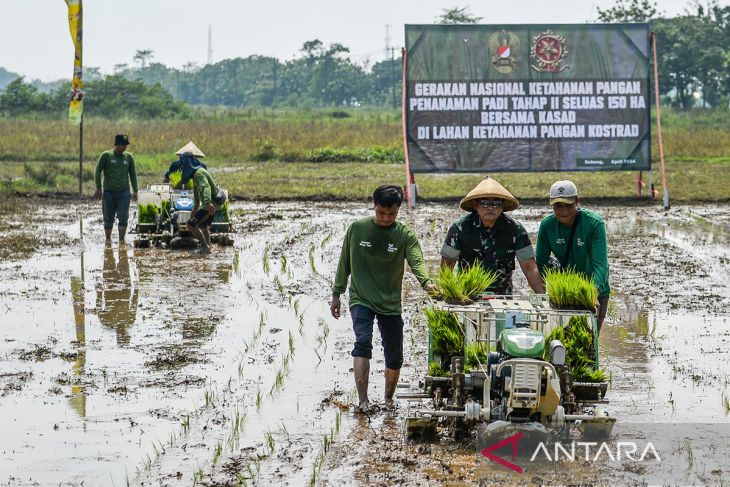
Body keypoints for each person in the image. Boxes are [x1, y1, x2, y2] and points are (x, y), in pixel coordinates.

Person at [331, 185, 435, 414]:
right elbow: (344, 263)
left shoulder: (404, 235)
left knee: (395, 354)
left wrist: (427, 283)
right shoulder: (357, 230)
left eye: (391, 214)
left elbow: (416, 262)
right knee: (362, 343)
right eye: (381, 213)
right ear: (374, 206)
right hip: (361, 298)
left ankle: (388, 399)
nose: (386, 218)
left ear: (398, 210)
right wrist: (336, 293)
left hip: (390, 302)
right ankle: (363, 401)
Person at [440, 176, 544, 295]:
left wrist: (543, 296)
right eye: (484, 203)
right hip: (468, 296)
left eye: (496, 203)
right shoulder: (460, 228)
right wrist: (447, 295)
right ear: (475, 205)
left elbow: (529, 267)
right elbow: (446, 265)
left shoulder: (515, 229)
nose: (490, 208)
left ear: (502, 207)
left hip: (502, 297)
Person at [535, 180, 610, 332]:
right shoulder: (547, 226)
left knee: (588, 344)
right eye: (558, 206)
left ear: (577, 201)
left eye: (568, 205)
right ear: (551, 205)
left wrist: (593, 293)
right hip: (563, 294)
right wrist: (541, 297)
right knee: (559, 343)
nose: (563, 211)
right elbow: (541, 264)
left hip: (595, 292)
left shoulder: (594, 224)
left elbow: (601, 265)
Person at [169, 151, 221, 255]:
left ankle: (205, 247)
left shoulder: (199, 174)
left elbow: (205, 187)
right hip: (213, 203)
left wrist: (207, 202)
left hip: (210, 204)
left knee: (190, 224)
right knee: (203, 225)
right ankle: (208, 247)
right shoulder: (196, 174)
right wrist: (196, 207)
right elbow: (197, 192)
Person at [94, 134, 138, 242]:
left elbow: (133, 174)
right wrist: (99, 188)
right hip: (109, 193)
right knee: (108, 218)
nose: (125, 147)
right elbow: (98, 171)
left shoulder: (128, 157)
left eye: (126, 145)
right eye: (123, 145)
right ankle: (108, 240)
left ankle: (121, 240)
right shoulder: (106, 156)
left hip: (124, 193)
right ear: (117, 145)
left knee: (123, 217)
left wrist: (135, 190)